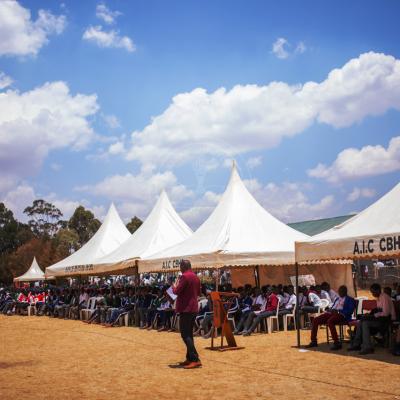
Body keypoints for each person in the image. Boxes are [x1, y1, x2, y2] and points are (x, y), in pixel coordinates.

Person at [348, 283, 396, 355]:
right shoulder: (379, 298)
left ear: (378, 290)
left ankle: (367, 347)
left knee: (365, 323)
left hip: (386, 320)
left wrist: (373, 316)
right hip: (380, 319)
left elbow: (385, 313)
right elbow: (379, 311)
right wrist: (370, 315)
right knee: (361, 321)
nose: (372, 294)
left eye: (373, 292)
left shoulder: (384, 297)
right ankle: (356, 344)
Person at [306, 285, 355, 350]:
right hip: (331, 313)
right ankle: (313, 341)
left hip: (342, 315)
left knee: (330, 321)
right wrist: (329, 310)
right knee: (316, 320)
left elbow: (350, 311)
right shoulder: (337, 299)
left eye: (342, 291)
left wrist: (338, 311)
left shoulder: (350, 299)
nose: (340, 292)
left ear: (345, 291)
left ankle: (336, 343)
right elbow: (333, 307)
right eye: (339, 291)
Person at [173, 259, 201, 369]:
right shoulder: (196, 276)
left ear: (184, 266)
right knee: (189, 334)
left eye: (180, 266)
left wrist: (174, 285)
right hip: (193, 308)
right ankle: (190, 358)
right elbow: (198, 292)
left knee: (185, 334)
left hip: (186, 308)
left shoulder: (184, 277)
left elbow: (176, 291)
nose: (180, 268)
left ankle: (195, 359)